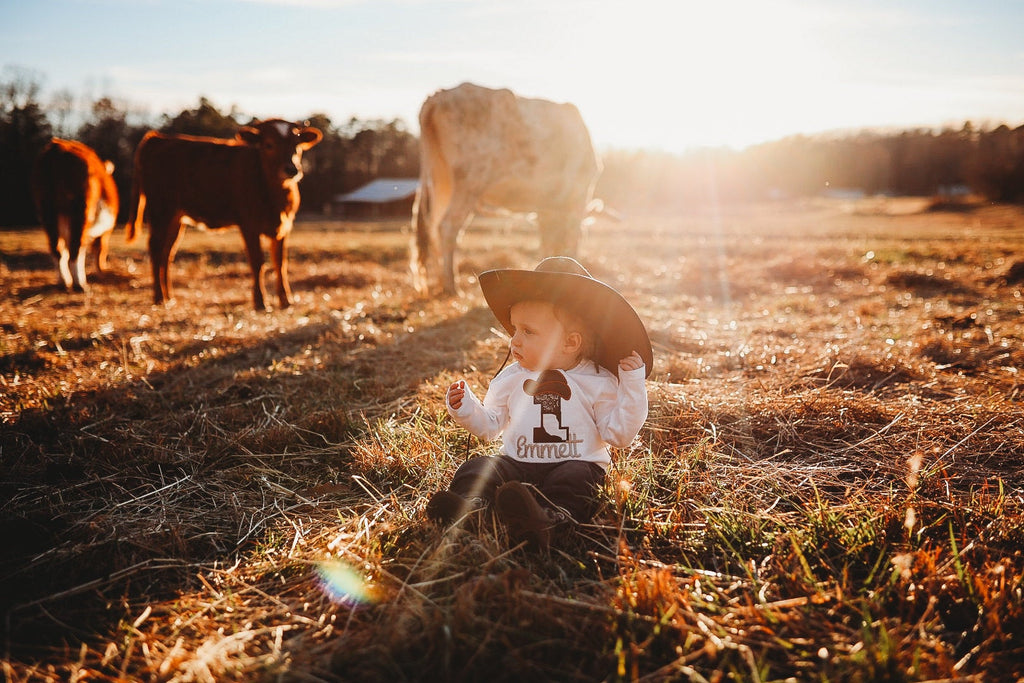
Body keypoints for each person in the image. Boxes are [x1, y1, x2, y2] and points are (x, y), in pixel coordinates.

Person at [426, 256, 652, 550]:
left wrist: (632, 384)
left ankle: (551, 518)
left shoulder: (598, 380)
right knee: (479, 467)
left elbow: (618, 435)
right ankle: (473, 510)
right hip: (516, 465)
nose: (514, 341)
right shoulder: (510, 378)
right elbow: (491, 425)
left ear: (571, 343)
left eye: (528, 332)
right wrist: (465, 407)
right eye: (514, 329)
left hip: (576, 462)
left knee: (577, 479)